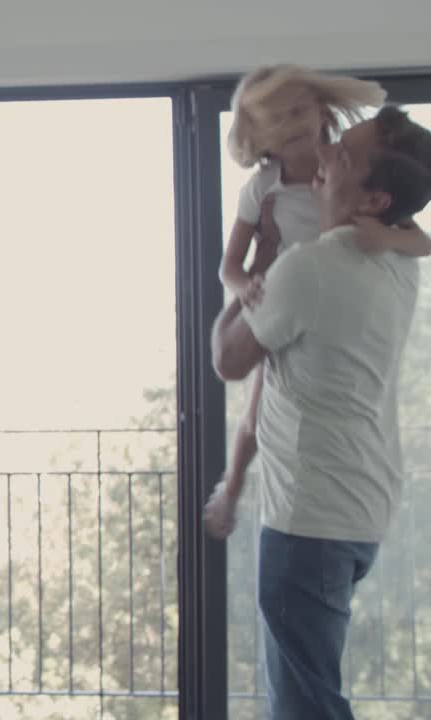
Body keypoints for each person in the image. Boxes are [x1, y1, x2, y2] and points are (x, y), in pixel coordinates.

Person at [210, 105, 431, 719]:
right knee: (308, 687)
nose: (327, 153)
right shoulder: (397, 261)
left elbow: (229, 359)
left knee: (305, 704)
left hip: (308, 523)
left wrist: (258, 272)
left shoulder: (309, 267)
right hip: (357, 513)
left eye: (346, 155)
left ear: (373, 198)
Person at [210, 65, 429, 540]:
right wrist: (251, 280)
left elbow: (422, 241)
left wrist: (384, 234)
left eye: (299, 116)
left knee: (259, 411)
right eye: (282, 130)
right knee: (256, 416)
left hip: (307, 298)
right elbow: (230, 265)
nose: (310, 143)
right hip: (281, 301)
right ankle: (232, 484)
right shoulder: (267, 190)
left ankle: (233, 488)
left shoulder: (346, 218)